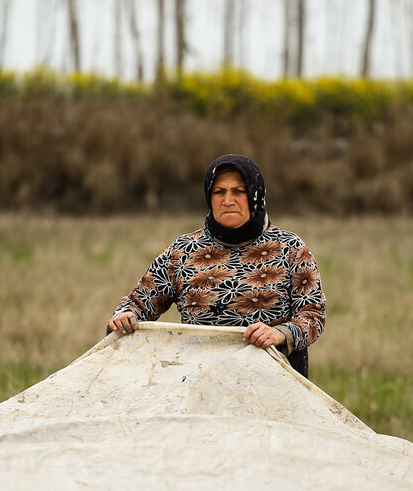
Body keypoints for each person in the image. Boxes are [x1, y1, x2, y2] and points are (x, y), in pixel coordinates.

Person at [107, 154, 325, 377]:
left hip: (274, 387)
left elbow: (313, 315)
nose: (228, 200)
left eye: (238, 192)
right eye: (219, 192)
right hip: (199, 384)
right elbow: (138, 304)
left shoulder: (291, 249)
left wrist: (281, 334)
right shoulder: (183, 251)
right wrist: (125, 316)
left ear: (255, 195)